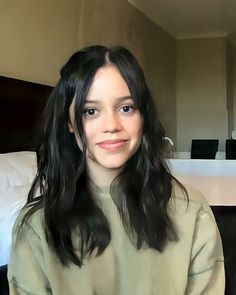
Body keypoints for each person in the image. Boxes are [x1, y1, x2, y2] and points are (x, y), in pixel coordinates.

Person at [8, 45, 225, 294]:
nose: (111, 125)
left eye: (126, 108)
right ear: (69, 122)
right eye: (91, 111)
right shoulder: (36, 229)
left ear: (143, 116)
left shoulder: (193, 211)